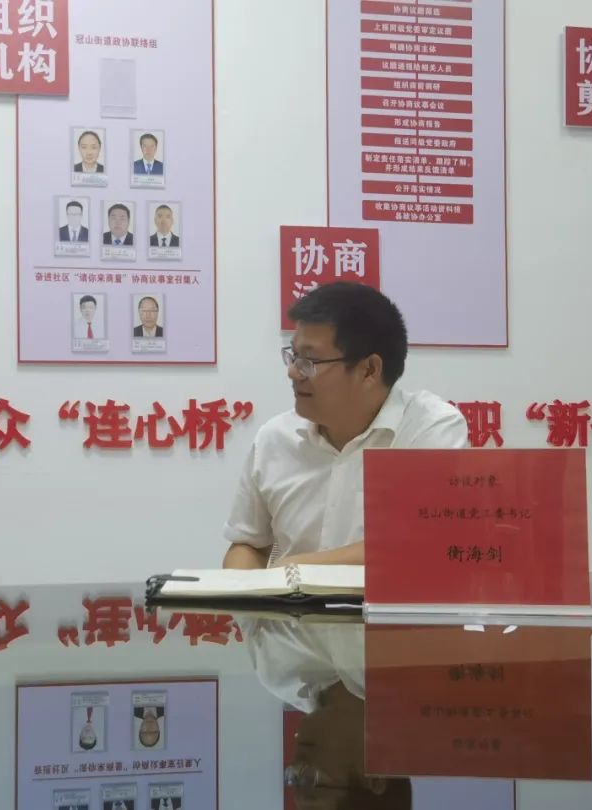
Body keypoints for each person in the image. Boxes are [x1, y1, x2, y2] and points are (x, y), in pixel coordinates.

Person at [222, 283, 467, 570]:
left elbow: (425, 541)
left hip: (381, 603)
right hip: (288, 600)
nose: (293, 372)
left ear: (369, 370)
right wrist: (246, 588)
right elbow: (248, 544)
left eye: (309, 361)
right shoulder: (275, 438)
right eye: (293, 356)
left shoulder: (429, 429)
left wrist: (296, 569)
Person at [244, 615, 412, 809]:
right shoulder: (405, 666)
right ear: (374, 777)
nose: (297, 764)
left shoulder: (276, 675)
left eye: (295, 780)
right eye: (312, 782)